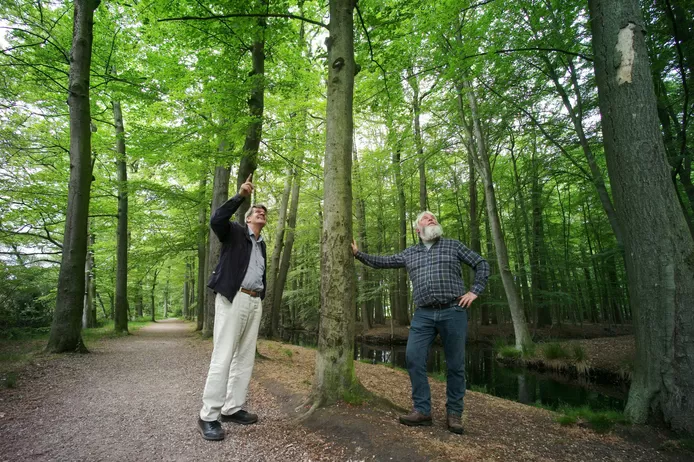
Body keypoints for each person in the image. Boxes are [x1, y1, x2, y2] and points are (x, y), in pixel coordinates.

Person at [351, 211, 489, 434]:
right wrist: (358, 254)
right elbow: (383, 262)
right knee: (413, 357)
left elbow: (481, 263)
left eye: (433, 217)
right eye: (426, 218)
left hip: (454, 310)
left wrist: (474, 291)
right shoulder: (410, 253)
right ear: (417, 229)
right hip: (423, 314)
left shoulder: (453, 245)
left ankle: (454, 414)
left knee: (455, 365)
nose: (432, 218)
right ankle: (422, 411)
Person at [197, 174, 268, 441]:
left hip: (254, 301)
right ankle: (208, 416)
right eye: (255, 211)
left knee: (244, 358)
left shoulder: (261, 245)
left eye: (264, 212)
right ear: (248, 218)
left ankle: (231, 407)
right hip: (233, 298)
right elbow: (216, 220)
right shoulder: (235, 232)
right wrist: (240, 196)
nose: (260, 212)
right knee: (223, 355)